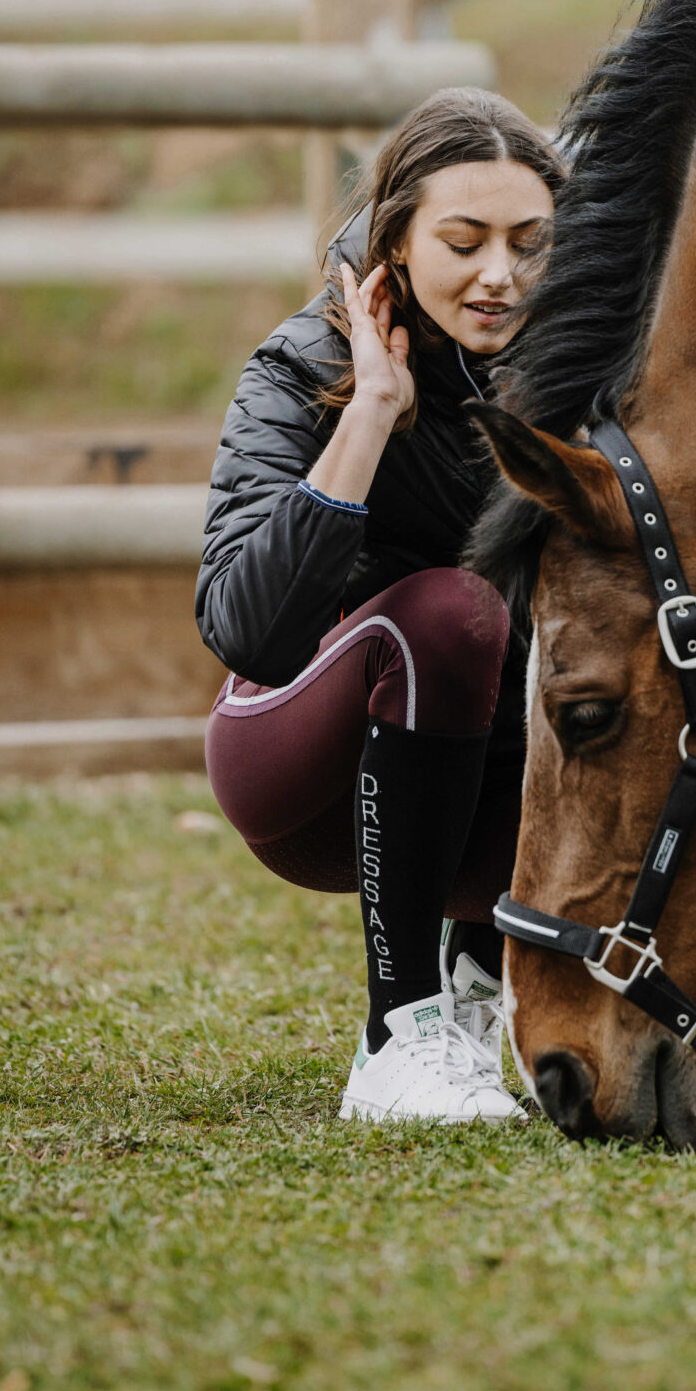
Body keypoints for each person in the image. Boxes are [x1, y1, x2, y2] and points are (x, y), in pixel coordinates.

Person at [197, 88, 561, 1123]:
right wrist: (369, 414)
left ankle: (477, 998)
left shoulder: (575, 372)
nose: (500, 274)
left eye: (529, 244)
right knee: (455, 612)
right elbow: (250, 632)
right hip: (299, 772)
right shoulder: (301, 364)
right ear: (397, 242)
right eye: (464, 242)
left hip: (484, 801)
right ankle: (396, 1037)